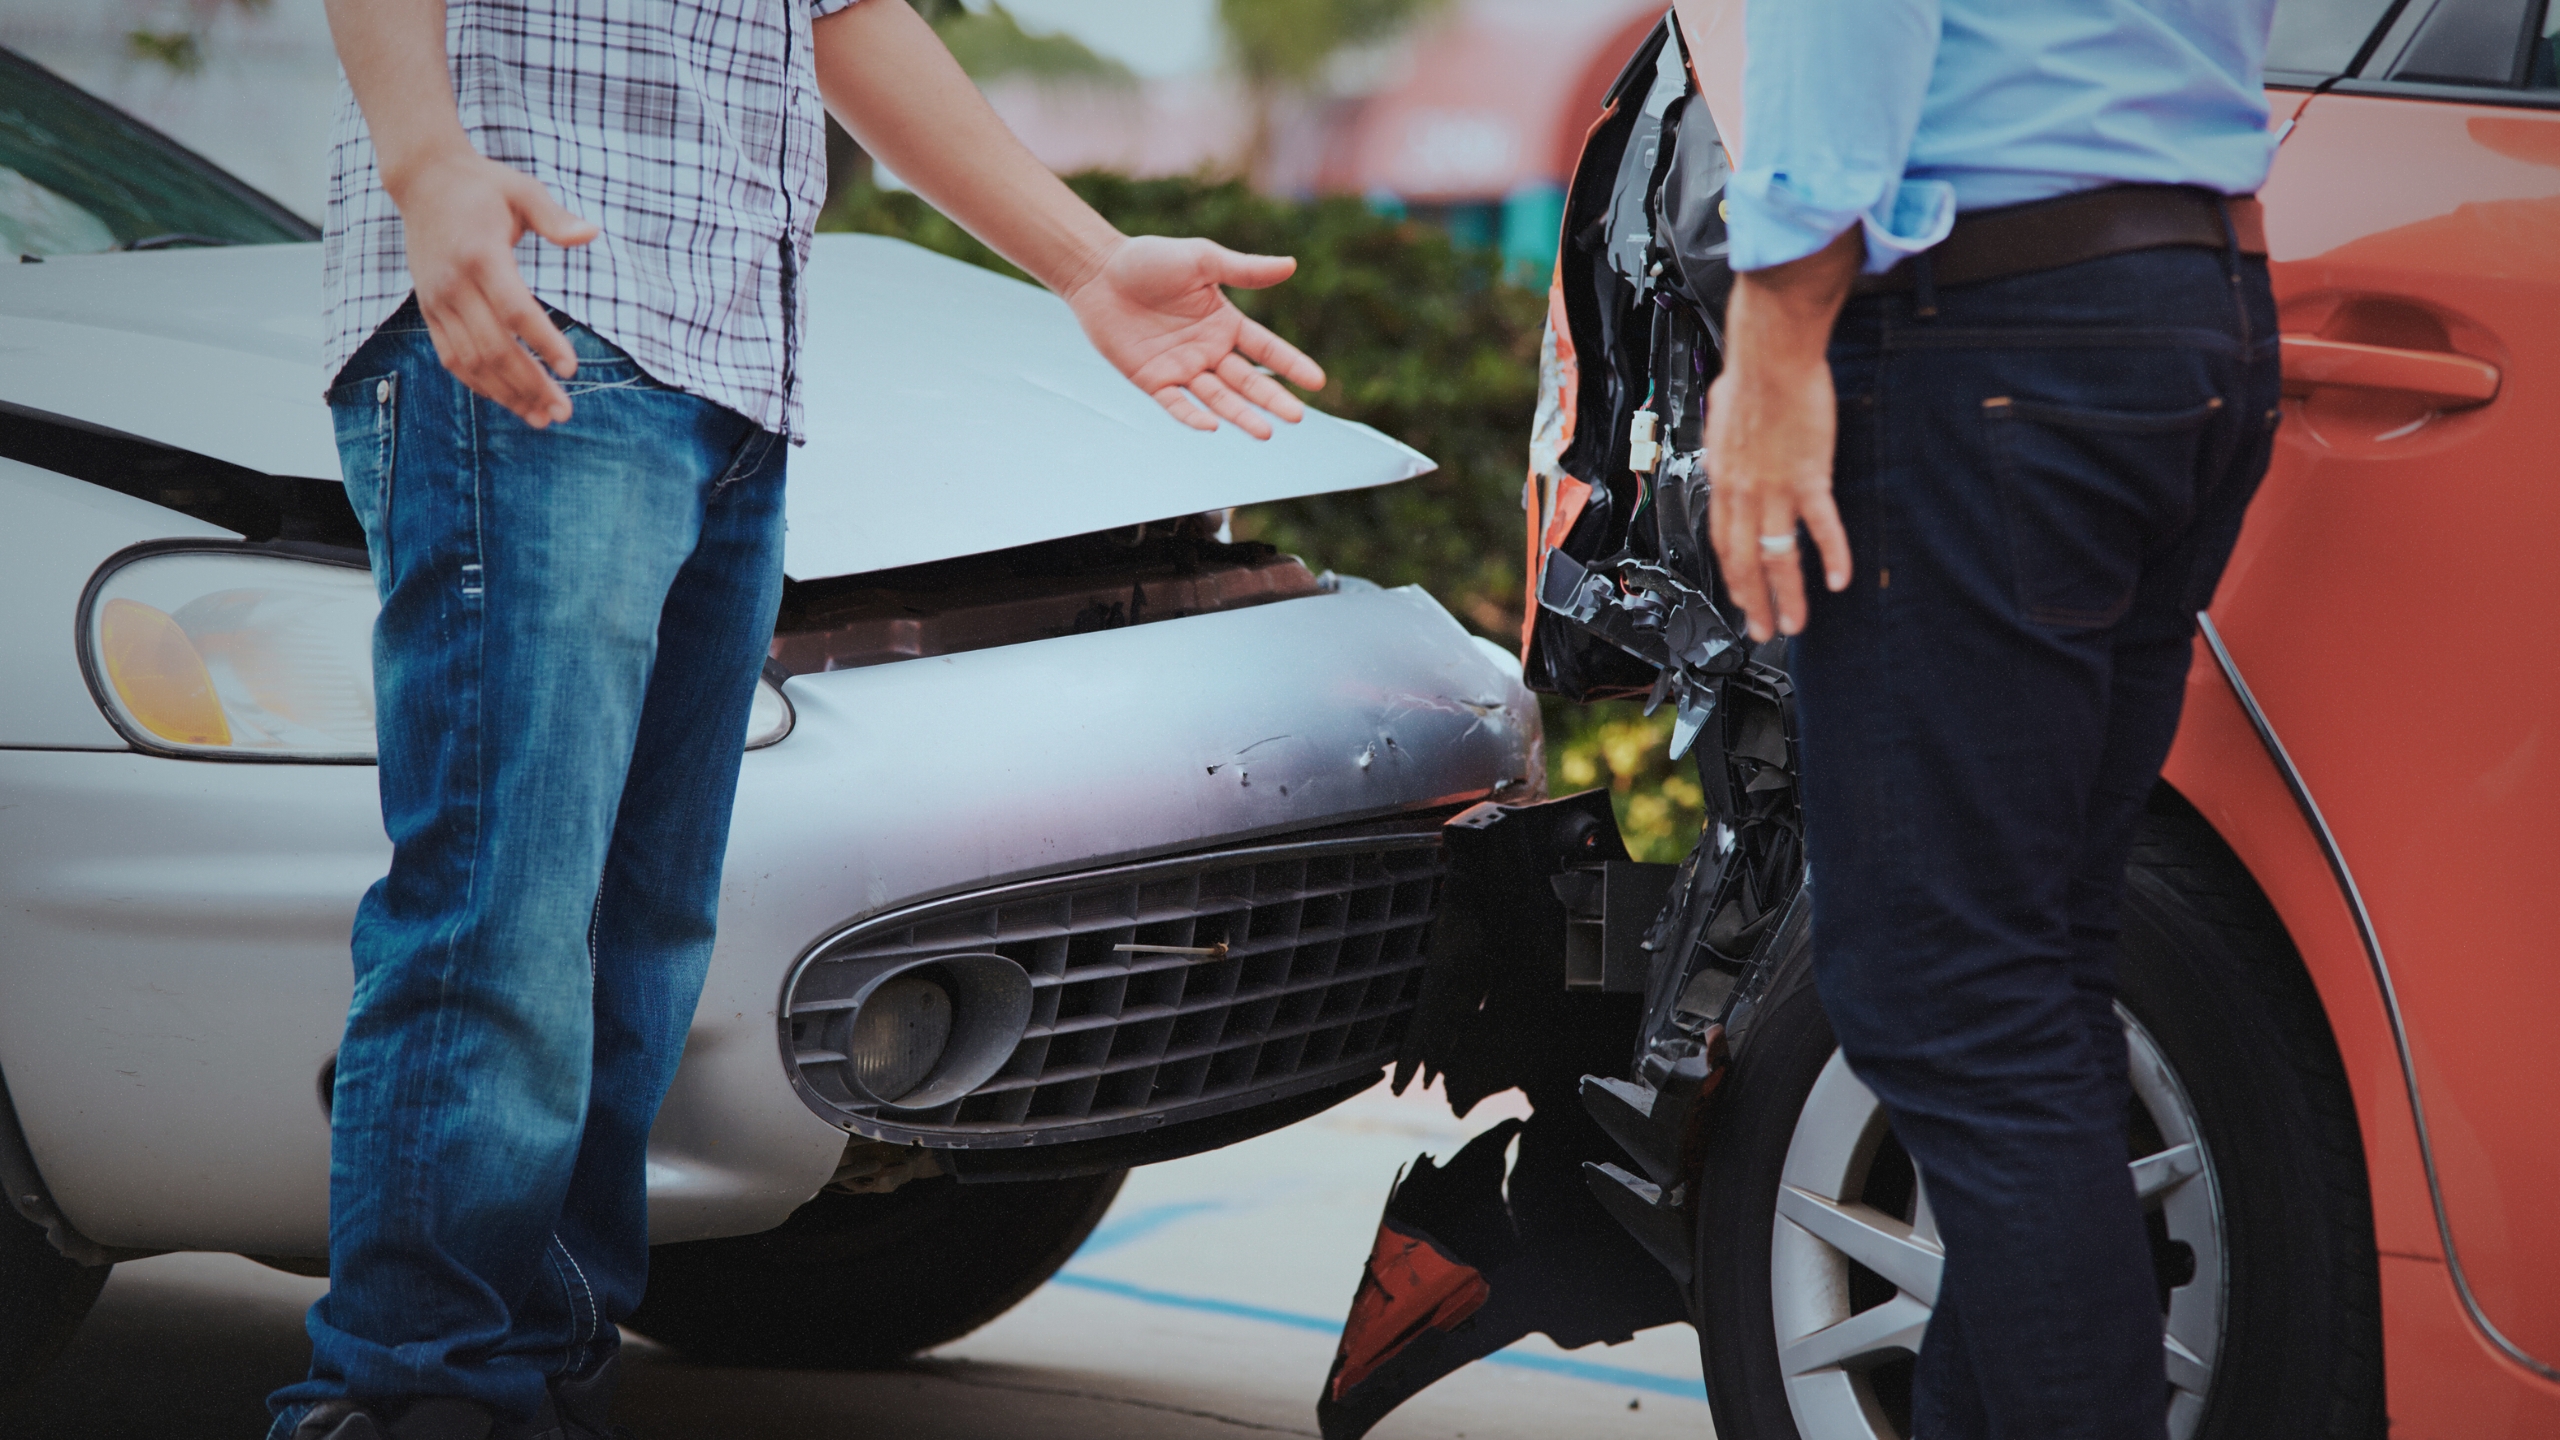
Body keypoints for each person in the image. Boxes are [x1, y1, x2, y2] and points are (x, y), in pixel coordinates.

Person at [272, 1, 1326, 1435]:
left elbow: (844, 17)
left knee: (635, 952)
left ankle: (524, 1389)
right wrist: (425, 160)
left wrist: (1087, 264)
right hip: (534, 318)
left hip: (727, 375)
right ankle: (412, 1402)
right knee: (502, 925)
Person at [1684, 0, 2280, 1434]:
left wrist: (1771, 332)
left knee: (1951, 996)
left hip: (1992, 328)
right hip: (2185, 302)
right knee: (2033, 978)